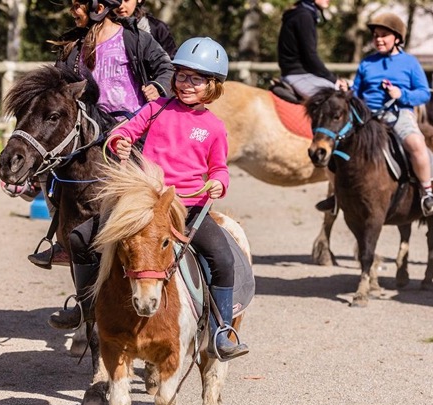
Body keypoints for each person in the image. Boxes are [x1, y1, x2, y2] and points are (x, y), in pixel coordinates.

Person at [107, 37, 248, 361]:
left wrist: (216, 183)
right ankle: (88, 311)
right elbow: (124, 132)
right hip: (146, 202)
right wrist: (120, 142)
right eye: (182, 76)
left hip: (189, 206)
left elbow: (220, 168)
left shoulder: (213, 127)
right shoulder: (156, 109)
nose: (186, 84)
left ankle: (221, 331)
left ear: (212, 86)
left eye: (196, 79)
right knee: (87, 237)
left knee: (222, 260)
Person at [40, 0, 174, 329]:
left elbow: (168, 69)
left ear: (102, 7)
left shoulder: (137, 39)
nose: (75, 11)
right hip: (89, 132)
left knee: (149, 195)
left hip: (134, 131)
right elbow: (57, 89)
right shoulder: (72, 48)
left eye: (80, 4)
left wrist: (157, 87)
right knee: (54, 175)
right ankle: (67, 254)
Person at [349, 12, 433, 217]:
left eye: (384, 35)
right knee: (339, 144)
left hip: (397, 114)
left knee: (417, 143)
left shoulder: (410, 63)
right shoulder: (366, 64)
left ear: (397, 38)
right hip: (367, 117)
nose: (378, 39)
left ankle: (427, 194)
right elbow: (356, 92)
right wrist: (346, 90)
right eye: (375, 35)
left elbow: (424, 94)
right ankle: (338, 193)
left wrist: (402, 94)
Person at [277, 0, 348, 99]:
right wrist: (334, 80)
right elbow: (310, 56)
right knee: (333, 98)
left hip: (301, 73)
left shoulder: (304, 13)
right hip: (299, 74)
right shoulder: (304, 16)